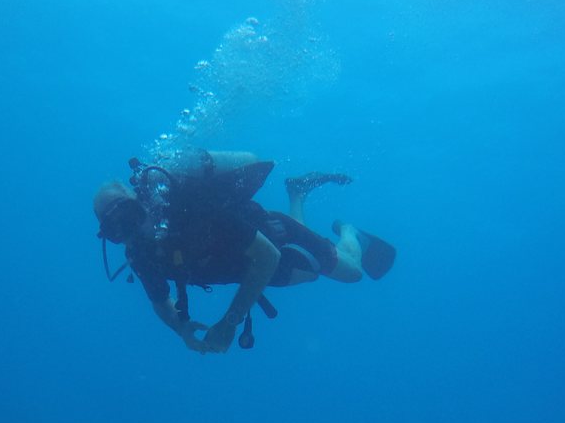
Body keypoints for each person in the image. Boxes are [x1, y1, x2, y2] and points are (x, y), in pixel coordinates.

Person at [93, 149, 395, 353]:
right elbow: (161, 302)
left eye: (129, 216)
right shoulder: (141, 254)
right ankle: (298, 191)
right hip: (252, 271)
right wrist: (181, 329)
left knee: (352, 272)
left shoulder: (192, 210)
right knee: (308, 272)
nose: (131, 231)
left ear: (140, 199)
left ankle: (349, 231)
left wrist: (229, 322)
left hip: (275, 240)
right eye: (117, 230)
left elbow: (268, 255)